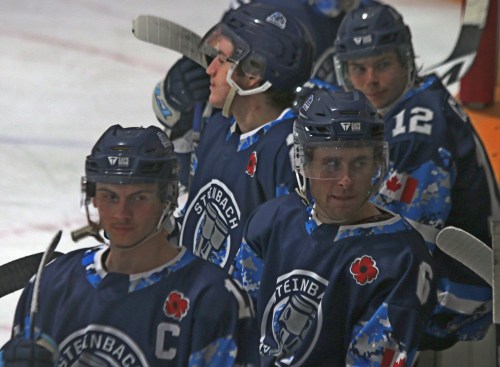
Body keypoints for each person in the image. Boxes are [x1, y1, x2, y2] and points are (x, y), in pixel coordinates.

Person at [0, 125, 258, 366]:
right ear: (94, 198)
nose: (122, 213)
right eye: (110, 196)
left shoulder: (211, 298)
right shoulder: (53, 283)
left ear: (166, 199)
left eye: (139, 197)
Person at [232, 89, 439, 366]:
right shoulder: (271, 221)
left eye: (360, 163)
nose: (345, 180)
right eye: (331, 163)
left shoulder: (401, 259)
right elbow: (236, 328)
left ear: (377, 164)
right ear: (304, 162)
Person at [333, 2, 493, 349]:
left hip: (461, 298)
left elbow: (398, 246)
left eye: (383, 65)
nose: (370, 80)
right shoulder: (418, 98)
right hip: (458, 279)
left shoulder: (416, 129)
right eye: (358, 68)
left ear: (406, 58)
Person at [176, 2, 315, 273]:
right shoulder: (217, 129)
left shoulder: (289, 150)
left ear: (253, 73)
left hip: (238, 312)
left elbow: (292, 261)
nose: (209, 69)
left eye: (222, 59)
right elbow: (191, 222)